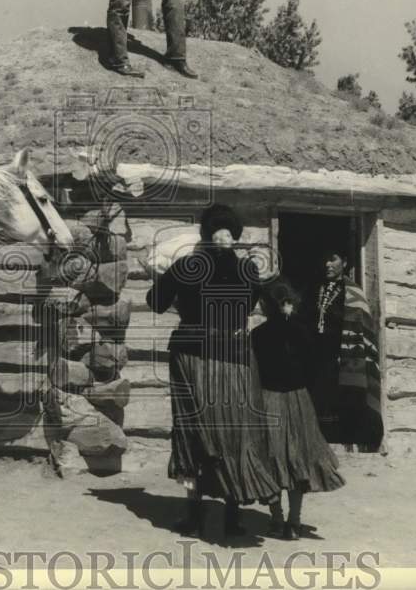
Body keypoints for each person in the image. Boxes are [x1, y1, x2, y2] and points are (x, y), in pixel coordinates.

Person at [146, 203, 277, 538]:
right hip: (227, 356)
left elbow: (156, 303)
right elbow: (246, 307)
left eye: (224, 232)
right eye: (225, 232)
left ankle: (196, 515)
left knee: (196, 431)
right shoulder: (247, 270)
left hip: (194, 354)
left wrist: (163, 278)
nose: (224, 237)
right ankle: (230, 515)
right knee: (229, 430)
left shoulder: (187, 265)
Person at [252, 277, 345, 540]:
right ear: (291, 303)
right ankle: (294, 521)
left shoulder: (257, 335)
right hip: (298, 400)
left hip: (268, 400)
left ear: (266, 305)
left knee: (270, 459)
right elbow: (315, 367)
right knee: (298, 461)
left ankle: (276, 519)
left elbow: (253, 371)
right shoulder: (303, 332)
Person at [302, 248, 383, 448]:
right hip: (316, 355)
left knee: (340, 399)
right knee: (316, 397)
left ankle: (344, 442)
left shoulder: (353, 293)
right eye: (324, 260)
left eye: (332, 259)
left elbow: (362, 329)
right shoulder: (314, 288)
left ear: (344, 262)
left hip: (342, 356)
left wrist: (347, 354)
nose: (327, 265)